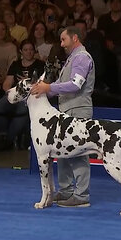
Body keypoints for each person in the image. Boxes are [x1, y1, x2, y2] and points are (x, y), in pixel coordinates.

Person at [30, 26, 95, 208]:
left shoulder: (82, 57)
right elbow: (60, 84)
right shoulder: (72, 58)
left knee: (79, 153)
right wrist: (42, 90)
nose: (61, 44)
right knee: (63, 153)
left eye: (63, 39)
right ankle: (66, 191)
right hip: (66, 110)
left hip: (78, 110)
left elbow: (75, 85)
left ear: (74, 38)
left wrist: (48, 88)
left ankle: (82, 195)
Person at [0, 39, 45, 150]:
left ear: (34, 51)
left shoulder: (40, 65)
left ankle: (9, 140)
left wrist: (28, 82)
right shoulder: (15, 64)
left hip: (32, 96)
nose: (29, 52)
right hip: (15, 93)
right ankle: (2, 135)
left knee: (22, 109)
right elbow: (7, 83)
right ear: (21, 51)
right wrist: (11, 93)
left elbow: (43, 84)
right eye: (26, 50)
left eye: (31, 49)